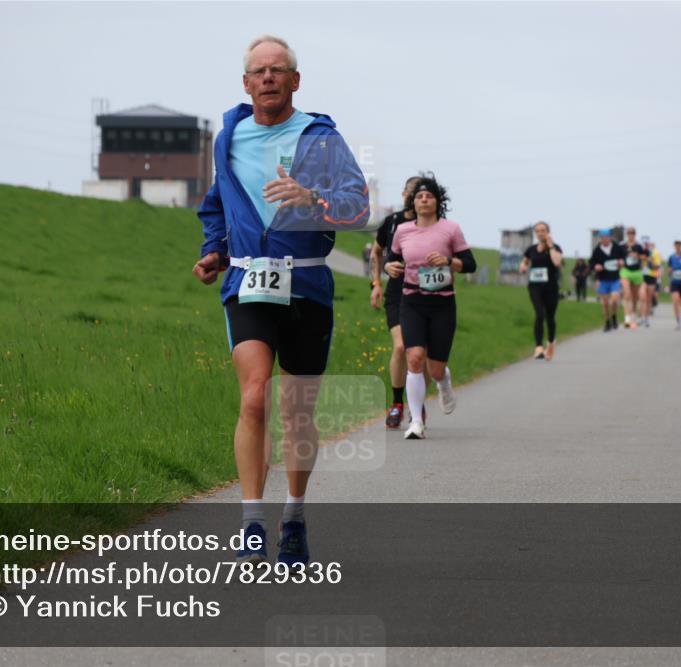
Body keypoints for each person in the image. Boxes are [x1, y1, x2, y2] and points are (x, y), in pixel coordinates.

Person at [193, 35, 369, 565]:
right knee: (254, 396)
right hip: (248, 283)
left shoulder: (323, 139)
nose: (268, 77)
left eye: (279, 70)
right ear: (246, 83)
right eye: (259, 71)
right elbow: (215, 207)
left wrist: (312, 199)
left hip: (308, 284)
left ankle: (293, 516)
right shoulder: (228, 138)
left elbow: (357, 209)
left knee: (296, 411)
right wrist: (214, 252)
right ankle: (251, 522)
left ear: (295, 80)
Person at [385, 175, 477, 440]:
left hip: (442, 304)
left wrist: (449, 261)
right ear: (413, 202)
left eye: (429, 196)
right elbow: (392, 260)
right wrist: (390, 268)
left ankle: (444, 383)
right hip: (412, 300)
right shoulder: (402, 231)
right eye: (419, 196)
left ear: (437, 201)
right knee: (413, 358)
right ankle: (416, 422)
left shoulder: (450, 229)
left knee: (434, 368)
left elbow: (470, 263)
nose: (424, 199)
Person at [369, 176, 432, 428]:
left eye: (422, 192)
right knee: (400, 347)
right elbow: (377, 252)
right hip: (397, 292)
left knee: (420, 354)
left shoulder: (434, 224)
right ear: (405, 193)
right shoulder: (392, 222)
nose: (416, 195)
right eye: (412, 191)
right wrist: (376, 282)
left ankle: (418, 402)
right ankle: (397, 403)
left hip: (425, 293)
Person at [519, 221, 563, 360]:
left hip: (551, 288)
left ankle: (550, 344)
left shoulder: (555, 248)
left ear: (548, 232)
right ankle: (538, 347)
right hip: (535, 286)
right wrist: (523, 266)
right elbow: (525, 261)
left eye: (543, 230)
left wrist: (550, 247)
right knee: (539, 314)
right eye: (537, 231)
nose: (540, 233)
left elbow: (557, 262)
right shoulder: (531, 249)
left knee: (550, 318)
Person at [589, 229, 626, 332]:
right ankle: (607, 322)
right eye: (602, 238)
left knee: (614, 299)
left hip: (615, 278)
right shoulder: (597, 250)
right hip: (603, 279)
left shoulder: (616, 247)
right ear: (600, 239)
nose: (604, 239)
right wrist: (595, 266)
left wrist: (622, 261)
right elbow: (591, 262)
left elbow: (624, 257)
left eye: (606, 237)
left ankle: (614, 316)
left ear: (609, 237)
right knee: (605, 303)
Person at [619, 227, 646, 330]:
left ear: (635, 234)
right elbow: (618, 256)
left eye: (632, 233)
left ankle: (633, 314)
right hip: (626, 271)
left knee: (635, 297)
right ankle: (627, 318)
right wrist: (620, 261)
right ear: (627, 234)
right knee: (626, 293)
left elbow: (646, 257)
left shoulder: (639, 246)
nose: (631, 234)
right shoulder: (622, 245)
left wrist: (638, 256)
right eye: (629, 233)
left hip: (637, 272)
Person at [639, 236, 661, 328]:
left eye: (646, 244)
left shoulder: (655, 253)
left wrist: (649, 262)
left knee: (648, 299)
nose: (645, 246)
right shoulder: (639, 252)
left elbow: (657, 267)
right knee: (642, 297)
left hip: (652, 276)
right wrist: (641, 259)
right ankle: (642, 318)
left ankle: (646, 319)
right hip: (641, 276)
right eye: (643, 244)